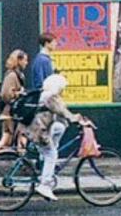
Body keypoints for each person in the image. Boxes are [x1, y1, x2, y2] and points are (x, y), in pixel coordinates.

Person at [25, 74, 87, 202]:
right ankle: (44, 185)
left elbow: (61, 116)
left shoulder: (46, 94)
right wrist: (78, 119)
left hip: (36, 128)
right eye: (62, 88)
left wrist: (73, 119)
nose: (63, 90)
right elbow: (63, 112)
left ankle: (45, 165)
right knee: (51, 154)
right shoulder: (51, 96)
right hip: (39, 131)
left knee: (60, 127)